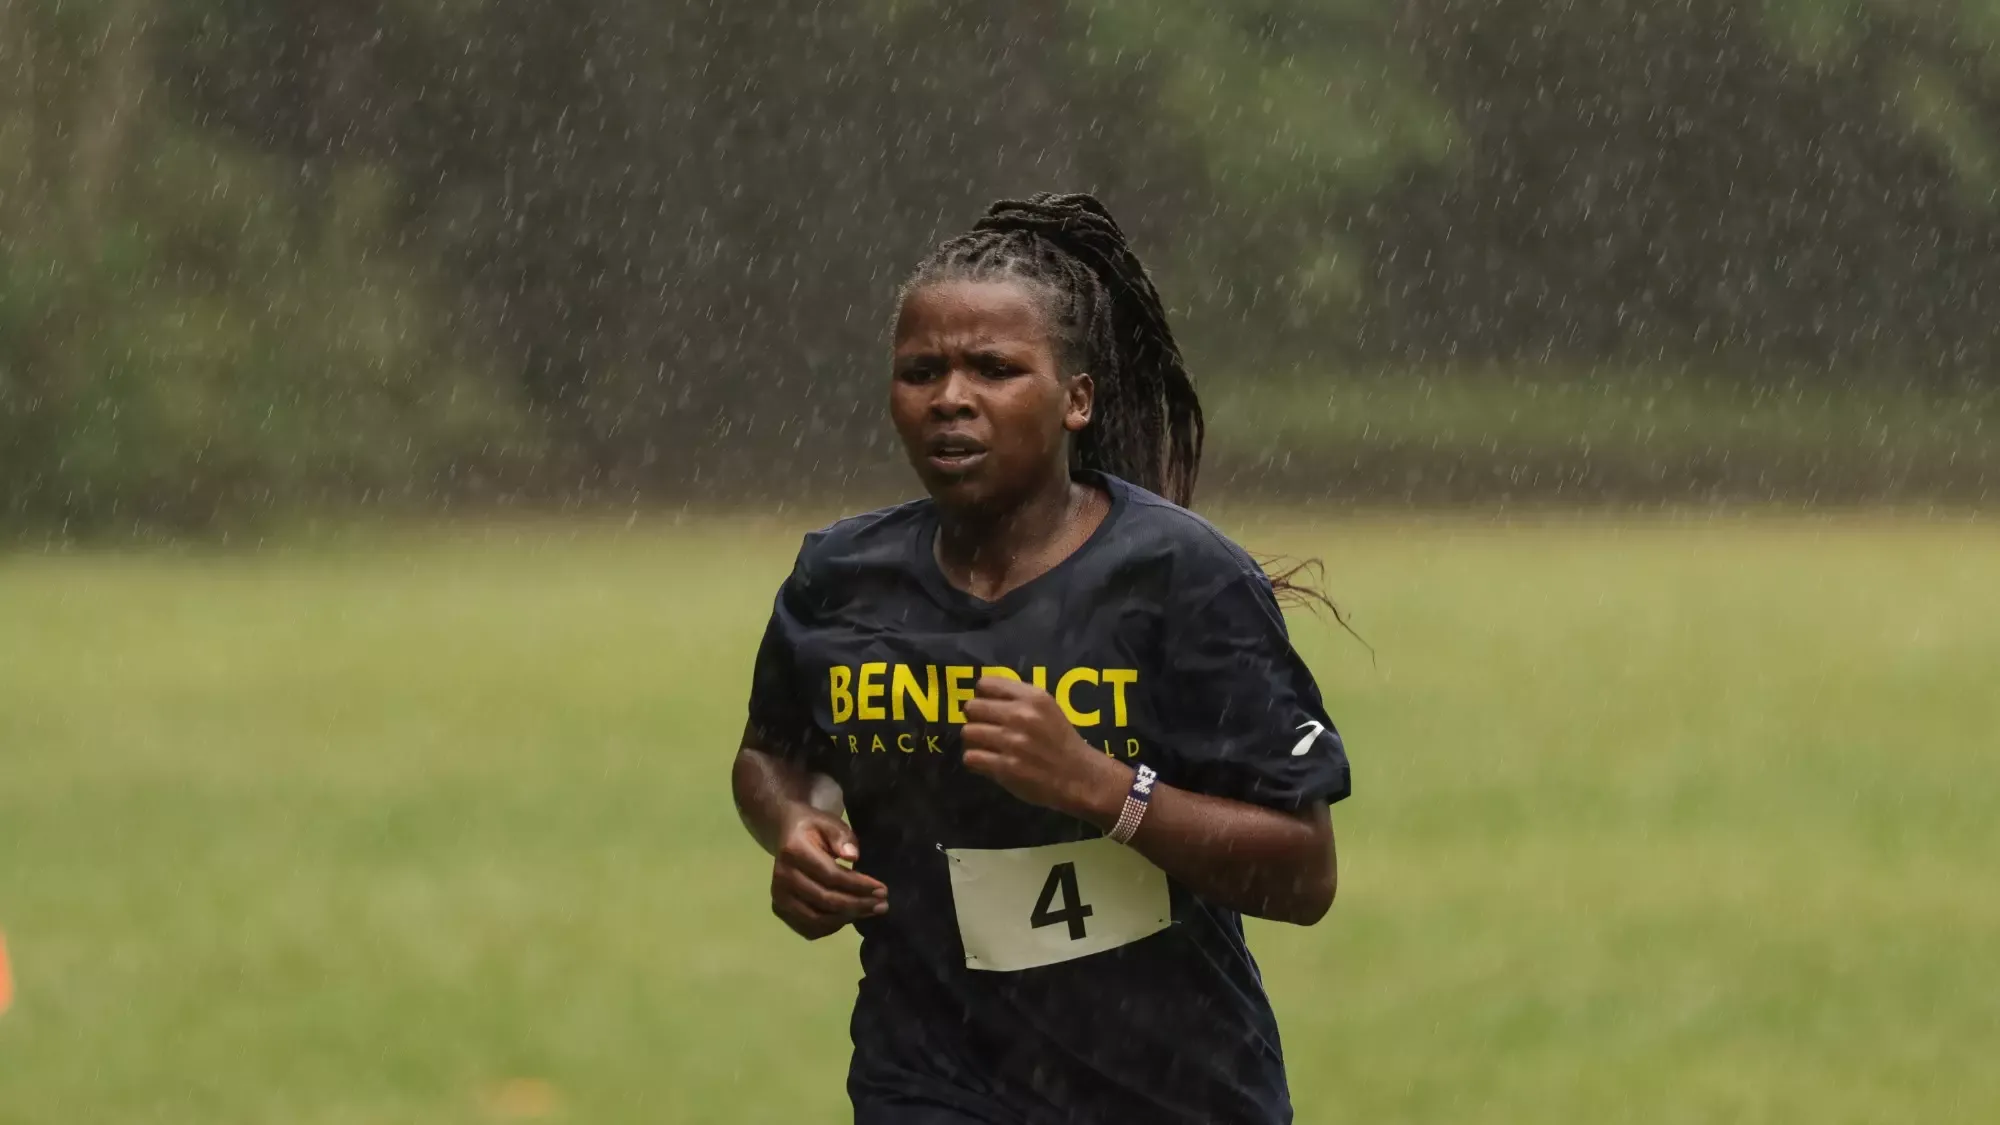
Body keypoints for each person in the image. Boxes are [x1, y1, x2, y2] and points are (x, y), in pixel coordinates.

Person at [731, 192, 1352, 1125]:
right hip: (929, 1079)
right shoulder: (842, 578)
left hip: (1170, 1090)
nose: (951, 396)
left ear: (1076, 399)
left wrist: (1102, 787)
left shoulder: (1182, 579)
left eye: (994, 368)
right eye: (921, 370)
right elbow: (773, 754)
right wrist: (797, 827)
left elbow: (1304, 875)